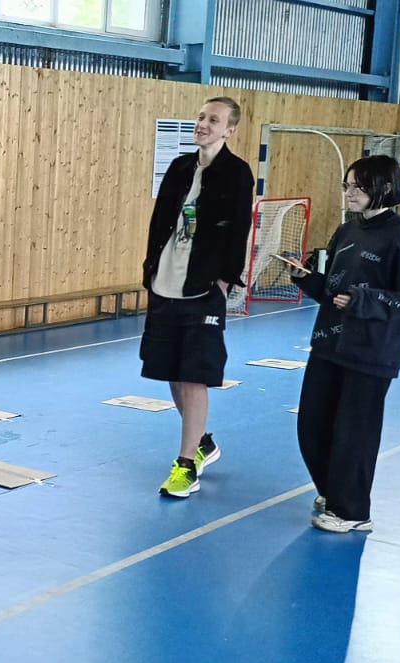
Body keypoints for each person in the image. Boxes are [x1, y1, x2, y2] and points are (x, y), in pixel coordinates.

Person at [290, 155, 400, 533]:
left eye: (358, 186)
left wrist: (364, 301)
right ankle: (332, 492)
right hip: (329, 344)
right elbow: (332, 292)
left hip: (371, 352)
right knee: (312, 424)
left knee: (354, 433)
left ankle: (352, 512)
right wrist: (304, 278)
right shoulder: (347, 230)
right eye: (347, 185)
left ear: (384, 188)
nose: (349, 193)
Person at [140, 96, 254, 499]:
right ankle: (202, 442)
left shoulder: (237, 173)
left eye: (214, 120)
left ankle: (186, 465)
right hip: (165, 284)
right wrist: (150, 270)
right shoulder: (179, 168)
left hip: (203, 288)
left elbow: (239, 229)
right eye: (202, 117)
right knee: (172, 372)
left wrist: (224, 280)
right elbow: (160, 222)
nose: (203, 124)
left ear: (229, 130)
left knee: (193, 376)